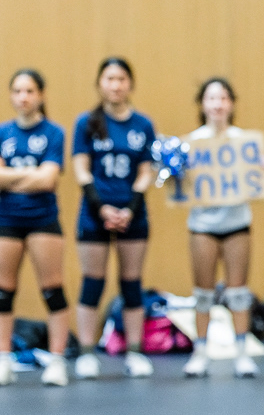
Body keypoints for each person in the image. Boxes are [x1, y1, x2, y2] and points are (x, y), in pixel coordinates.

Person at [181, 77, 264, 379]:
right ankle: (200, 351)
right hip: (203, 225)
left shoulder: (243, 142)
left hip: (237, 223)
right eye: (211, 98)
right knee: (203, 292)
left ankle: (241, 351)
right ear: (202, 104)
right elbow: (178, 185)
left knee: (238, 292)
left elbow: (257, 185)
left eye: (223, 98)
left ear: (231, 104)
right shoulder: (191, 143)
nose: (217, 104)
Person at [72, 58, 155, 379]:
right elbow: (81, 169)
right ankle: (87, 352)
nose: (116, 85)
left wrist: (129, 209)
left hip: (132, 212)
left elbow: (146, 172)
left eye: (121, 79)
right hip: (95, 213)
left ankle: (135, 351)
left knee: (131, 283)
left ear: (130, 84)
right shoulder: (86, 123)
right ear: (100, 83)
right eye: (109, 78)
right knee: (93, 281)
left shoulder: (143, 125)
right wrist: (102, 207)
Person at [0, 69, 69, 386]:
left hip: (42, 219)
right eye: (17, 91)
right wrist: (32, 176)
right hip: (7, 219)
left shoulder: (54, 133)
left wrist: (12, 176)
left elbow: (49, 179)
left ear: (40, 95)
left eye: (29, 91)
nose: (23, 97)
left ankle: (57, 360)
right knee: (3, 292)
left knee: (52, 290)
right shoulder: (3, 133)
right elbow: (34, 178)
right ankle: (4, 360)